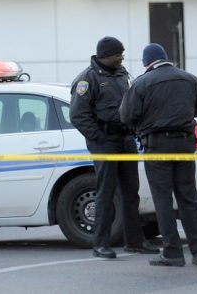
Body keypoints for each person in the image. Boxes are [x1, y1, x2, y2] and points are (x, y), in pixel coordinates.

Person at [120, 43, 197, 267]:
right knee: (189, 198)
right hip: (185, 144)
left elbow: (126, 116)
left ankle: (172, 252)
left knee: (163, 200)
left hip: (157, 146)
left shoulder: (142, 82)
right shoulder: (190, 79)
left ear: (147, 63)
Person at [70, 36, 158, 259]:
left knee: (131, 192)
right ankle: (100, 244)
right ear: (106, 56)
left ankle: (135, 241)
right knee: (106, 193)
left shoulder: (122, 74)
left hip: (125, 139)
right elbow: (78, 115)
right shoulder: (87, 79)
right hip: (105, 141)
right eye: (118, 54)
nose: (122, 58)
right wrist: (98, 137)